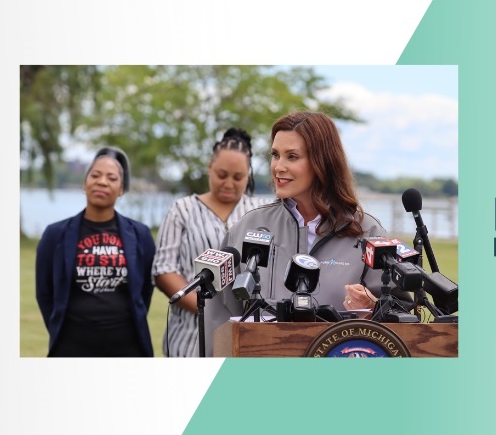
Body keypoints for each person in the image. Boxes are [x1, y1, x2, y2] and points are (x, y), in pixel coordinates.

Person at [214, 111, 413, 355]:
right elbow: (220, 313)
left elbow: (401, 318)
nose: (278, 167)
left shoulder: (368, 232)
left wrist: (374, 308)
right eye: (275, 155)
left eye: (292, 156)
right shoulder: (249, 227)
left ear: (322, 162)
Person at [152, 128, 272, 357]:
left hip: (245, 329)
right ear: (209, 168)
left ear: (249, 174)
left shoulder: (261, 212)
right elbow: (164, 269)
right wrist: (205, 307)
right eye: (221, 174)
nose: (228, 183)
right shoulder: (183, 210)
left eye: (238, 178)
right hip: (190, 334)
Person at [35, 147, 156, 357]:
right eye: (95, 175)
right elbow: (45, 293)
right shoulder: (55, 235)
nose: (102, 182)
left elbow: (144, 291)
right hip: (71, 347)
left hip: (128, 347)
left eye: (112, 178)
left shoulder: (140, 235)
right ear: (85, 183)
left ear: (121, 189)